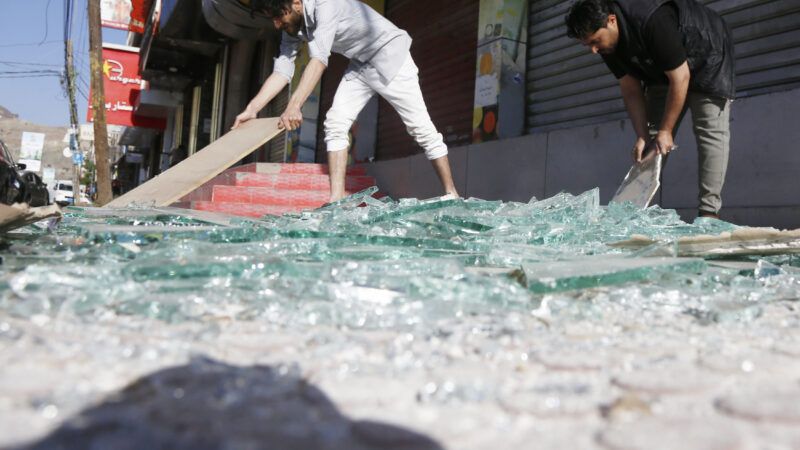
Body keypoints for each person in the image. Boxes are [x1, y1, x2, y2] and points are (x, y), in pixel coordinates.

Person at [233, 0, 459, 202]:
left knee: (420, 127)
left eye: (278, 17)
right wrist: (252, 109)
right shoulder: (293, 27)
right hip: (361, 64)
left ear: (296, 3)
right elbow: (282, 70)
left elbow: (319, 59)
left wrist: (294, 106)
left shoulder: (325, 5)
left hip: (390, 55)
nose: (276, 24)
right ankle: (336, 199)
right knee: (335, 123)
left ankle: (451, 193)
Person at [565, 0, 734, 219]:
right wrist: (642, 134)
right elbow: (630, 88)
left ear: (611, 20)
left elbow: (681, 77)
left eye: (595, 41)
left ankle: (709, 214)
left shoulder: (651, 19)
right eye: (587, 44)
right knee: (653, 141)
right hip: (662, 69)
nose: (594, 50)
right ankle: (628, 215)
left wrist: (667, 130)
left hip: (707, 53)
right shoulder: (607, 44)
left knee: (709, 132)